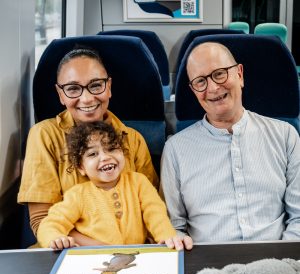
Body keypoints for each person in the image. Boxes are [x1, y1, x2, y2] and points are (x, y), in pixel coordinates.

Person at [160, 42, 300, 243]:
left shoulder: (285, 136)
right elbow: (173, 228)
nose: (213, 88)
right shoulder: (175, 150)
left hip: (276, 262)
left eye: (219, 74)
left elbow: (298, 218)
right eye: (200, 81)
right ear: (193, 90)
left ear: (239, 74)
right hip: (207, 268)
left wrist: (284, 261)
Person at [18, 47, 159, 246]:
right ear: (61, 94)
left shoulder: (133, 139)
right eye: (73, 88)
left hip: (131, 252)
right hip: (66, 251)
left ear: (108, 87)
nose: (86, 98)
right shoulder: (44, 135)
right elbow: (41, 220)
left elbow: (151, 210)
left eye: (95, 85)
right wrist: (106, 250)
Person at [37, 121, 193, 250]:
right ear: (81, 168)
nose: (105, 157)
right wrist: (55, 238)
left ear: (123, 153)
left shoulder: (139, 182)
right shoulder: (77, 195)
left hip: (136, 257)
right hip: (93, 260)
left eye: (112, 149)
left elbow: (156, 214)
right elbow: (51, 223)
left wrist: (166, 236)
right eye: (93, 154)